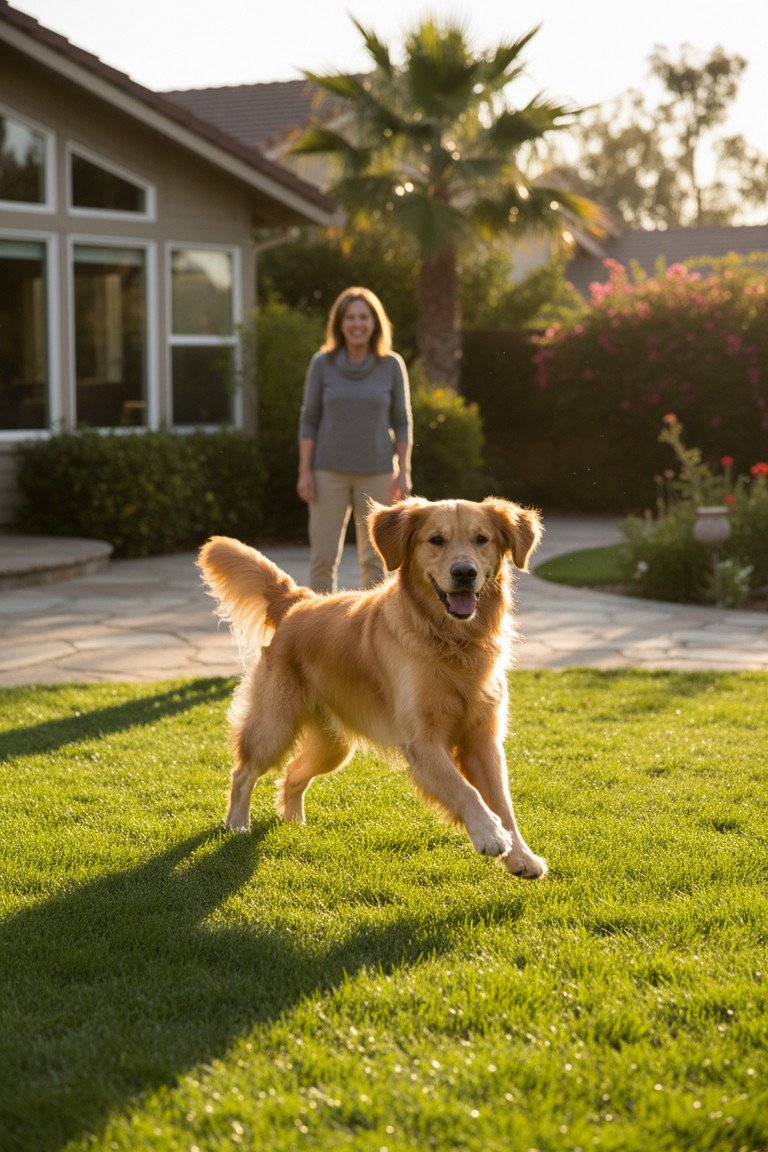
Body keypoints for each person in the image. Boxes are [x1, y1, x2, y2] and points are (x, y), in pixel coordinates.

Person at [297, 286, 413, 593]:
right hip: (327, 473)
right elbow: (309, 419)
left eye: (364, 317)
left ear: (375, 323)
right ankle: (317, 634)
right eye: (350, 317)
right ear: (340, 323)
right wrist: (305, 471)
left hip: (377, 474)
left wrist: (404, 470)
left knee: (375, 560)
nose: (357, 324)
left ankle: (371, 635)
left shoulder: (391, 365)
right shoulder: (322, 364)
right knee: (322, 559)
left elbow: (402, 422)